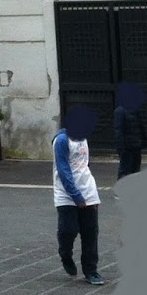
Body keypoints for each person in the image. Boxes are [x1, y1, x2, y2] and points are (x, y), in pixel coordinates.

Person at [53, 104, 104, 285]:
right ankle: (65, 253)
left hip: (88, 191)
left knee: (90, 232)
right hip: (66, 194)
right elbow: (64, 170)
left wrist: (92, 194)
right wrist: (76, 196)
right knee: (68, 230)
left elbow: (85, 166)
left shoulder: (83, 138)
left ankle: (91, 270)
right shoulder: (61, 141)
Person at [112, 82, 147, 180]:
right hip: (126, 147)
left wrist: (143, 141)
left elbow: (140, 127)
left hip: (136, 145)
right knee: (125, 169)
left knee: (135, 169)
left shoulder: (135, 110)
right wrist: (120, 147)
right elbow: (118, 131)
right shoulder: (119, 112)